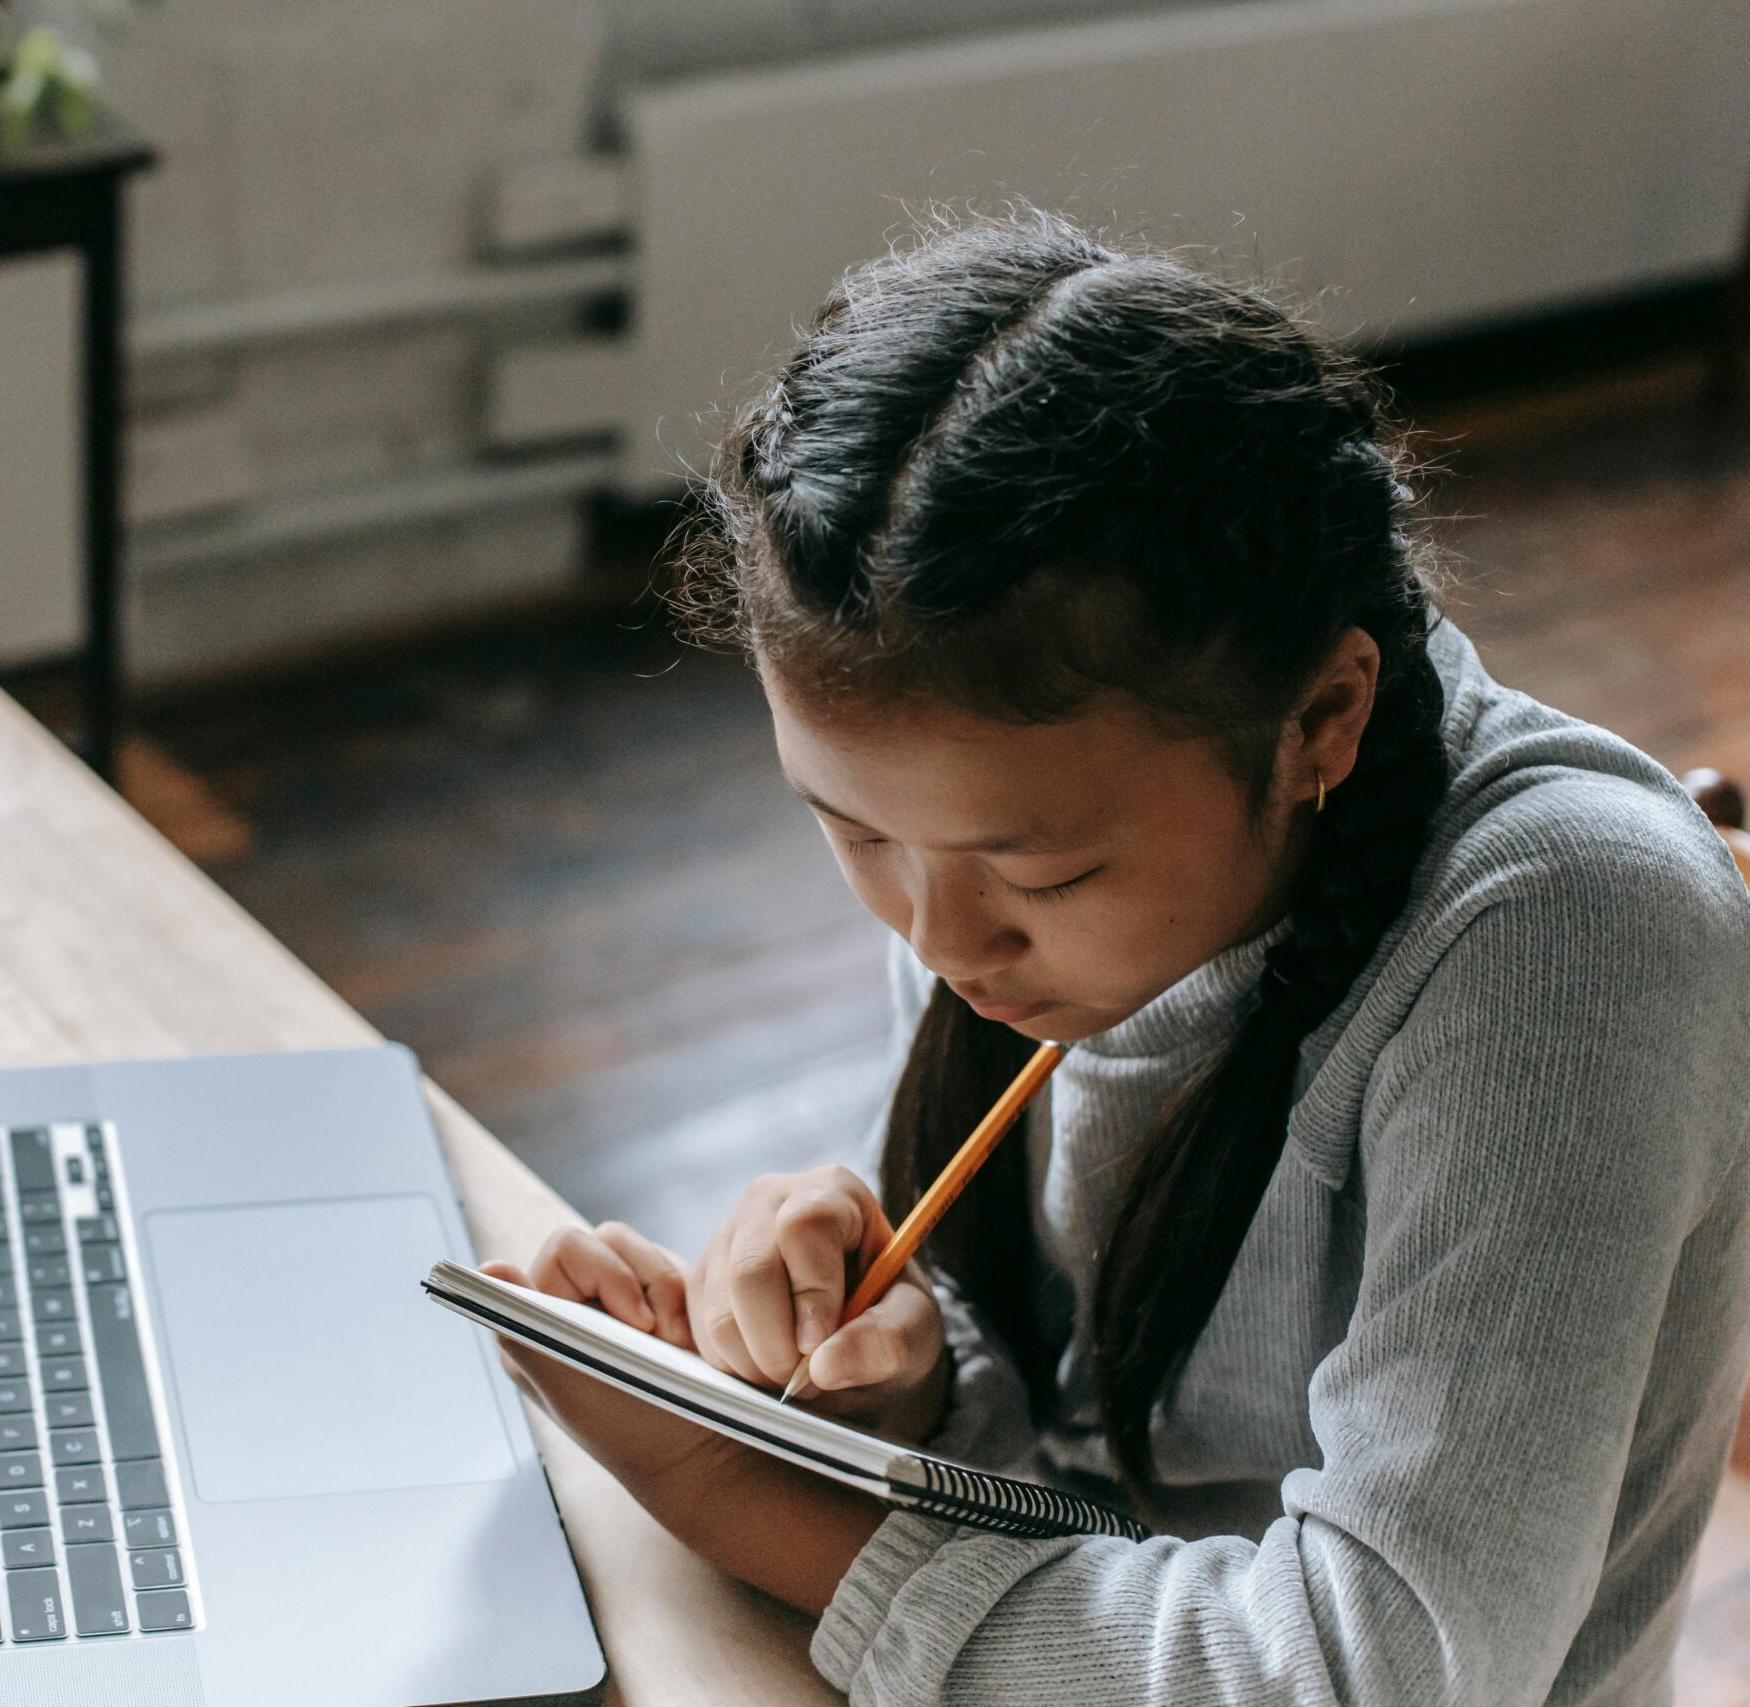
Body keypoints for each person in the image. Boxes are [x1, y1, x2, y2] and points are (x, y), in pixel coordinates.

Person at [484, 212, 1750, 1705]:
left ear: (1325, 721)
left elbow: (1379, 1670)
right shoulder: (1008, 875)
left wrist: (742, 1502)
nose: (941, 942)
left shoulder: (1562, 943)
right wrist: (917, 1374)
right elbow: (1085, 1431)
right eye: (854, 836)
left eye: (1046, 872)